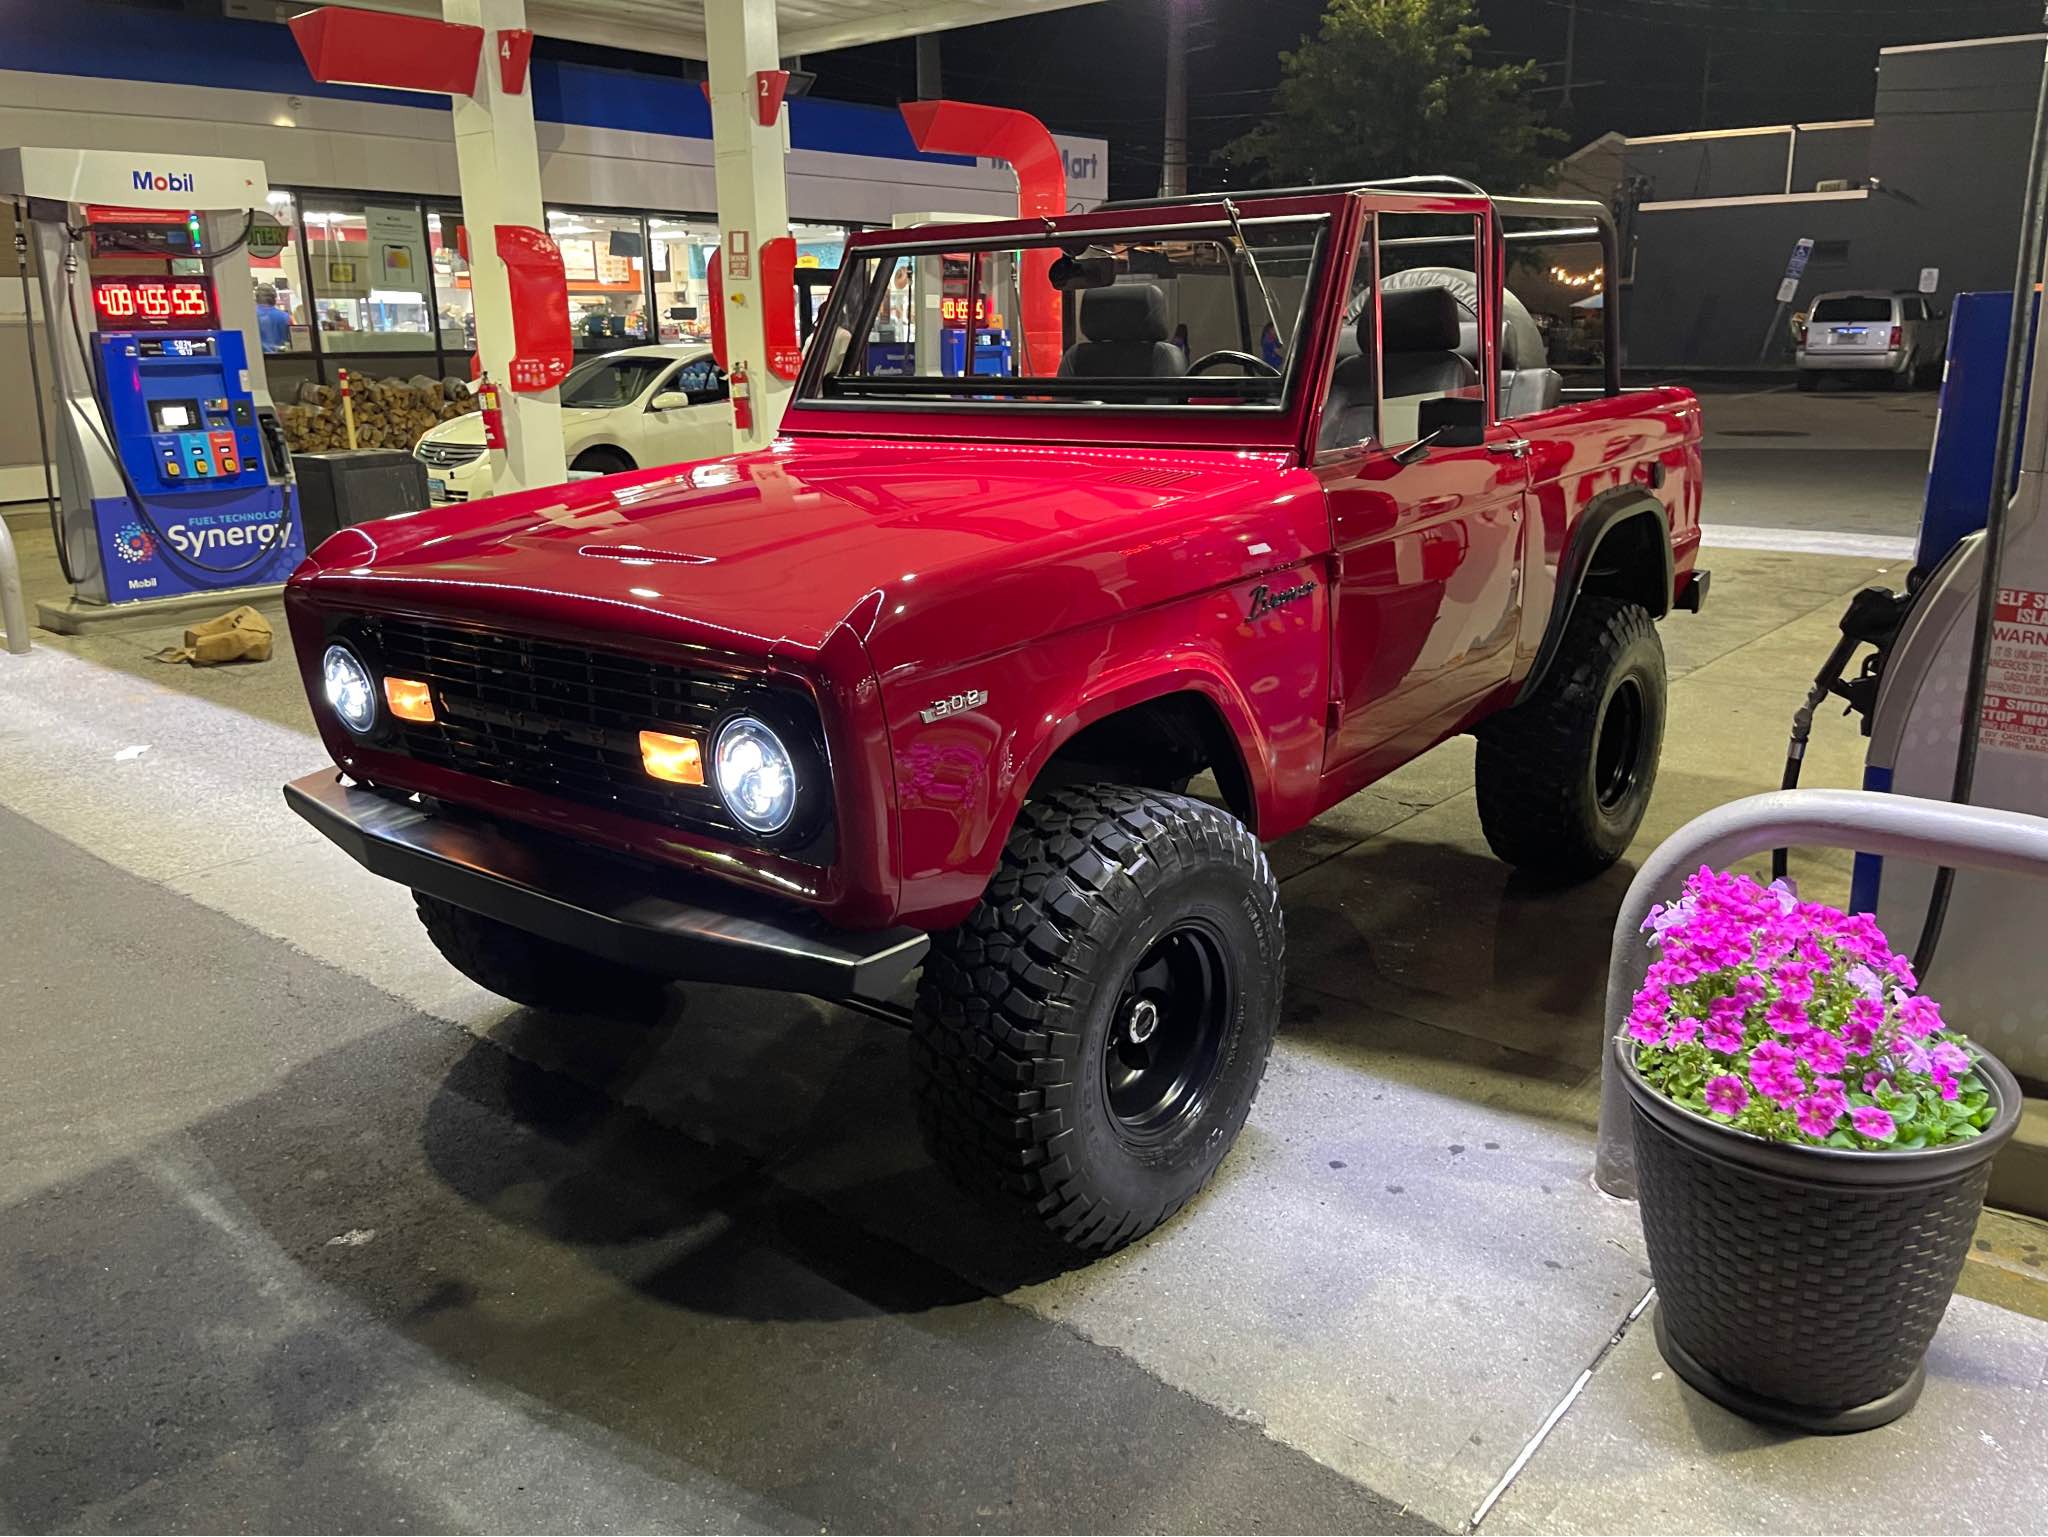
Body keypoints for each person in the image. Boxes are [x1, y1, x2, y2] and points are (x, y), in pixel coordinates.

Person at [254, 283, 292, 353]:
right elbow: (294, 340)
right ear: (274, 298)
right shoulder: (286, 316)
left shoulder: (251, 317)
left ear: (256, 298)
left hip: (259, 359)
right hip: (283, 358)